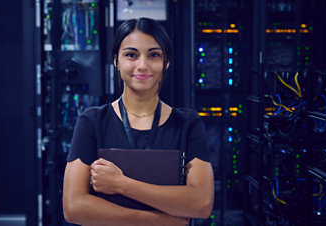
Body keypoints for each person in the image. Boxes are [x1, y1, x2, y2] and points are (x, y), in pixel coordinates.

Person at [63, 17, 214, 226]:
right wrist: (158, 221)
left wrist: (121, 184)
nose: (142, 65)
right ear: (116, 60)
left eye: (154, 55)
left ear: (166, 62)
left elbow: (201, 203)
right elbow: (73, 207)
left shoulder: (187, 124)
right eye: (131, 55)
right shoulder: (92, 121)